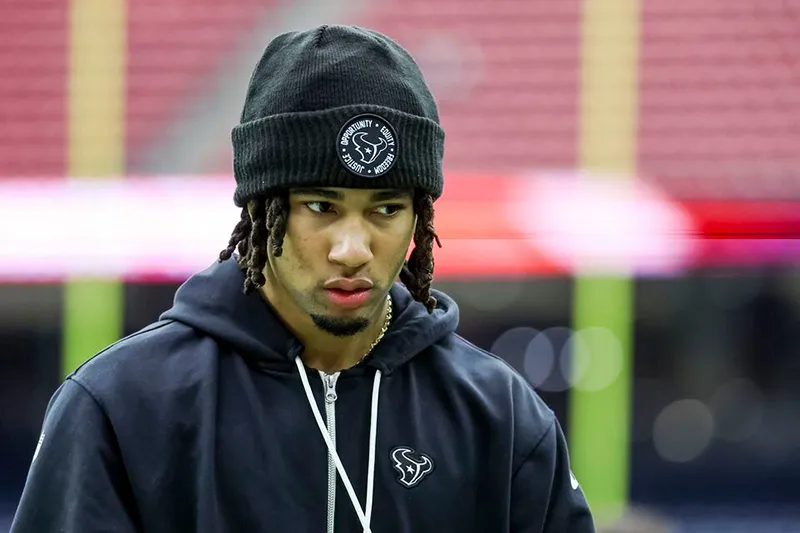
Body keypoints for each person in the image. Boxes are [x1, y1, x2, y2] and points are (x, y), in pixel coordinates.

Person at [11, 25, 595, 532]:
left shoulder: (501, 416)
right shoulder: (122, 405)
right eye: (320, 206)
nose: (352, 249)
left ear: (420, 215)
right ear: (264, 207)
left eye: (386, 210)